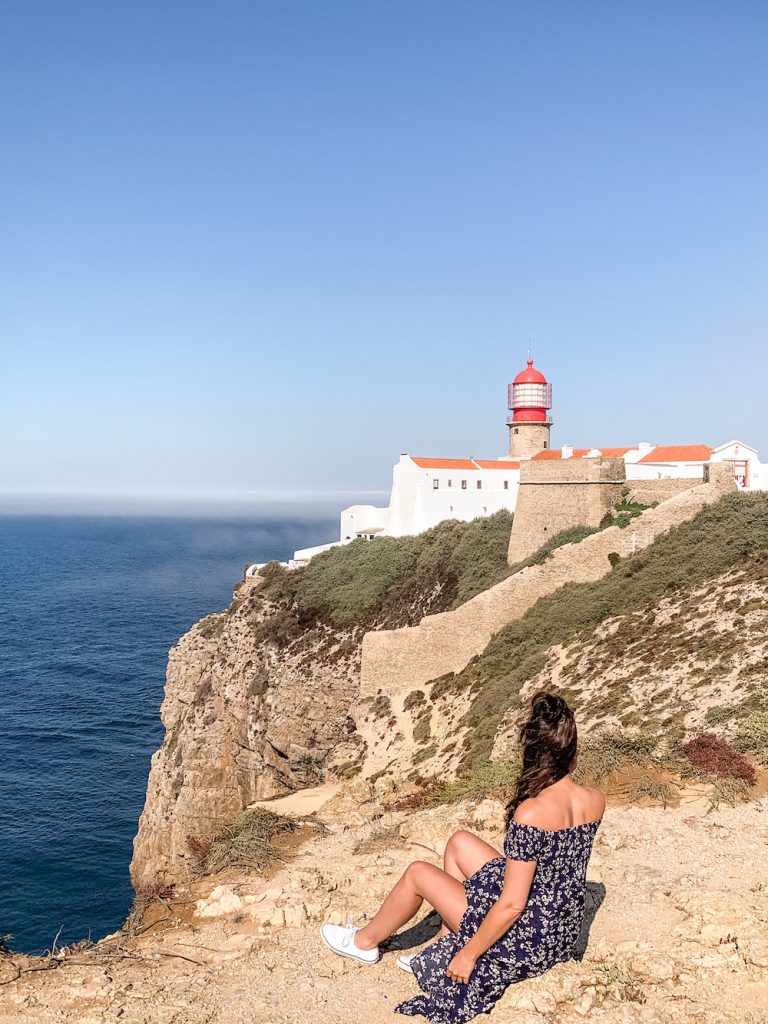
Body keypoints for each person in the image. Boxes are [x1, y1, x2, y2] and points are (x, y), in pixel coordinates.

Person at [320, 691, 605, 1023]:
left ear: (533, 754)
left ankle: (363, 942)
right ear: (571, 751)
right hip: (559, 930)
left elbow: (513, 904)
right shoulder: (594, 799)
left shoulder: (532, 812)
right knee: (459, 843)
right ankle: (443, 950)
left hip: (528, 941)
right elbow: (555, 867)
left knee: (417, 873)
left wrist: (469, 956)